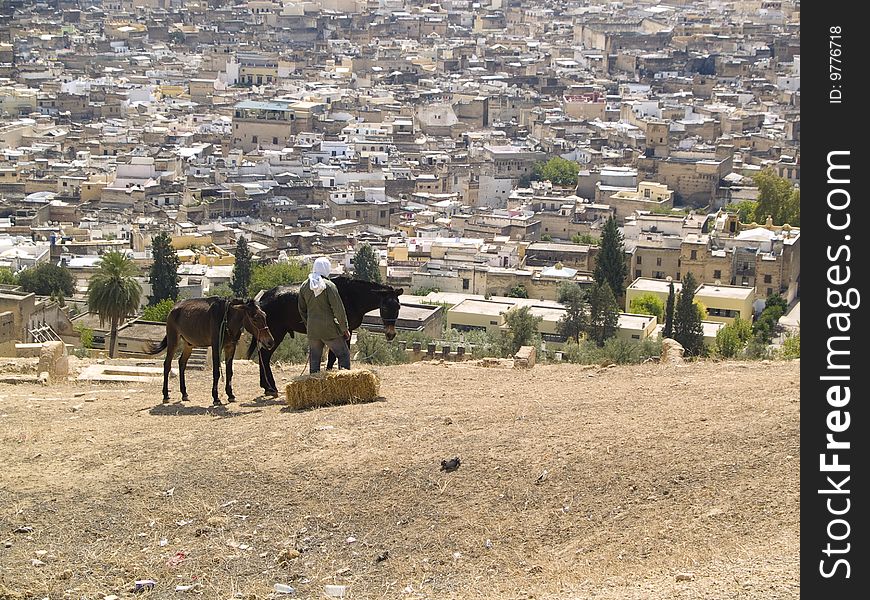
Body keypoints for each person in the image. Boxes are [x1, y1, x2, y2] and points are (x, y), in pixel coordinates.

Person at [298, 257, 352, 373]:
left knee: (315, 360)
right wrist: (344, 328)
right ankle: (344, 383)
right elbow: (338, 309)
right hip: (329, 329)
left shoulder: (304, 286)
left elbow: (302, 309)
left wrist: (309, 325)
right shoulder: (329, 286)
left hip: (313, 329)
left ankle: (314, 388)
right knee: (343, 355)